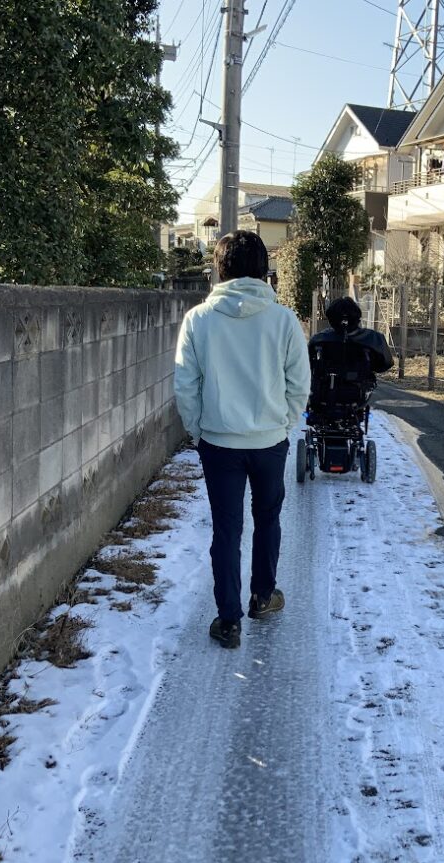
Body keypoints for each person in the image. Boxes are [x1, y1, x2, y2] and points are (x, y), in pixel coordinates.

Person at [173, 230, 311, 649]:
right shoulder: (284, 319)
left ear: (220, 269)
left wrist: (199, 430)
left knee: (226, 529)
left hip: (219, 444)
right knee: (268, 519)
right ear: (264, 271)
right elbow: (299, 385)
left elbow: (186, 385)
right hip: (269, 442)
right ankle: (263, 597)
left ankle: (228, 620)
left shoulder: (199, 319)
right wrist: (283, 424)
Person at [308, 296, 394, 375]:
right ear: (357, 318)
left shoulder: (319, 339)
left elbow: (306, 364)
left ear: (331, 319)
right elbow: (387, 363)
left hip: (325, 387)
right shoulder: (373, 338)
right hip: (360, 386)